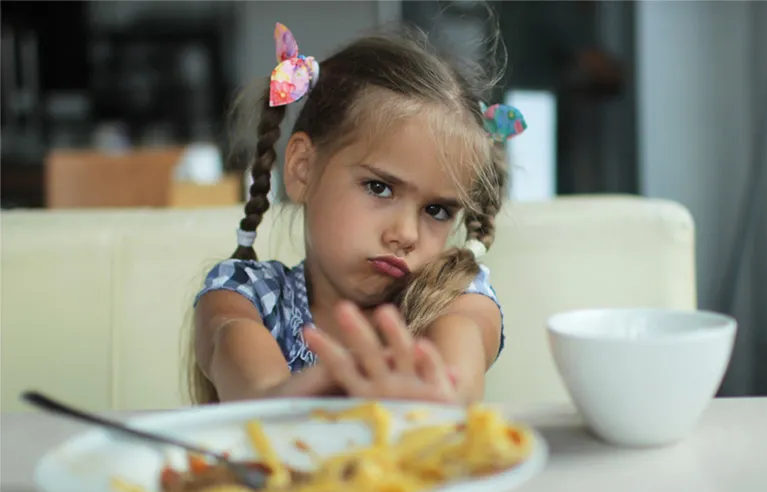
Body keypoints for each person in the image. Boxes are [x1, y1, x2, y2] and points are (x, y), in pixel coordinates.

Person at [189, 22, 526, 406]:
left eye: (437, 210)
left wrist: (442, 393)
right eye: (379, 187)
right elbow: (229, 339)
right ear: (302, 169)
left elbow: (463, 351)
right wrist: (277, 399)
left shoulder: (452, 299)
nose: (405, 234)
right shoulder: (246, 296)